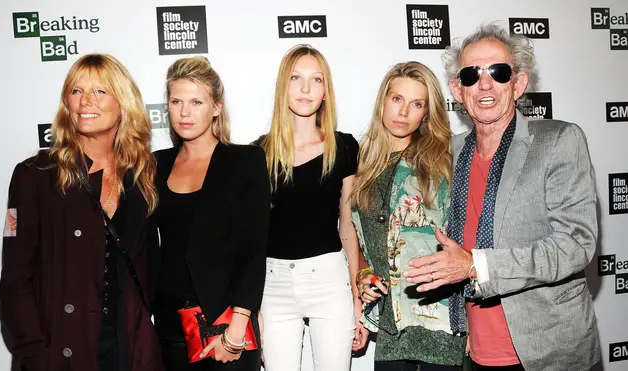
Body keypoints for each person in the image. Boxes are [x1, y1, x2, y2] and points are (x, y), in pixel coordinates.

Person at [403, 24, 601, 371]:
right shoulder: (450, 153)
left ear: (519, 83)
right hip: (475, 351)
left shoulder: (558, 141)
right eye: (470, 74)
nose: (484, 83)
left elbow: (576, 244)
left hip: (548, 351)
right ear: (457, 90)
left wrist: (474, 265)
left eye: (498, 71)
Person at [0, 54, 163, 371]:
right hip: (62, 351)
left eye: (100, 91)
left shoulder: (143, 176)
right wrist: (35, 356)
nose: (85, 101)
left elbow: (150, 266)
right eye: (76, 91)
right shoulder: (37, 175)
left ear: (123, 103)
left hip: (129, 349)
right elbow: (16, 280)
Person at [151, 56, 270, 371]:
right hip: (170, 328)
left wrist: (237, 328)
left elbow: (253, 250)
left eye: (196, 101)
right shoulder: (154, 164)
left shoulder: (245, 161)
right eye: (176, 101)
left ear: (216, 107)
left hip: (226, 327)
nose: (185, 112)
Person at [352, 61, 465, 371]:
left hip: (439, 317)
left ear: (426, 113)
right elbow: (360, 240)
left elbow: (465, 236)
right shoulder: (364, 162)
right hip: (391, 318)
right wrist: (363, 275)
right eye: (397, 99)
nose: (403, 113)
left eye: (416, 104)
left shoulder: (445, 160)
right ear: (383, 101)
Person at [255, 44, 360, 371]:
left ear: (326, 91)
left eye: (316, 80)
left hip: (330, 280)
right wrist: (251, 305)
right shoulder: (258, 153)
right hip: (273, 287)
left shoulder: (344, 147)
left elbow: (348, 225)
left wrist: (358, 297)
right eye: (296, 78)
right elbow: (252, 238)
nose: (305, 88)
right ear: (282, 86)